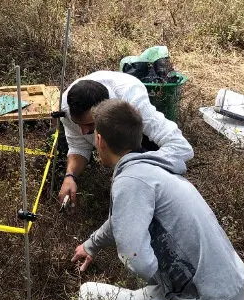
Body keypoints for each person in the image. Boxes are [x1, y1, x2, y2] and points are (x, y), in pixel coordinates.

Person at [71, 99, 244, 300]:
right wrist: (91, 245)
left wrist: (151, 270)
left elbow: (139, 261)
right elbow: (123, 218)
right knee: (147, 290)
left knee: (88, 296)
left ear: (99, 140)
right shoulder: (152, 169)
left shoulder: (130, 181)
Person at [58, 70, 194, 208]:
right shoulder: (65, 108)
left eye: (90, 125)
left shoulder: (133, 100)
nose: (84, 132)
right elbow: (78, 147)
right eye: (78, 125)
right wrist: (70, 176)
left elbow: (181, 147)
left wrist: (135, 169)